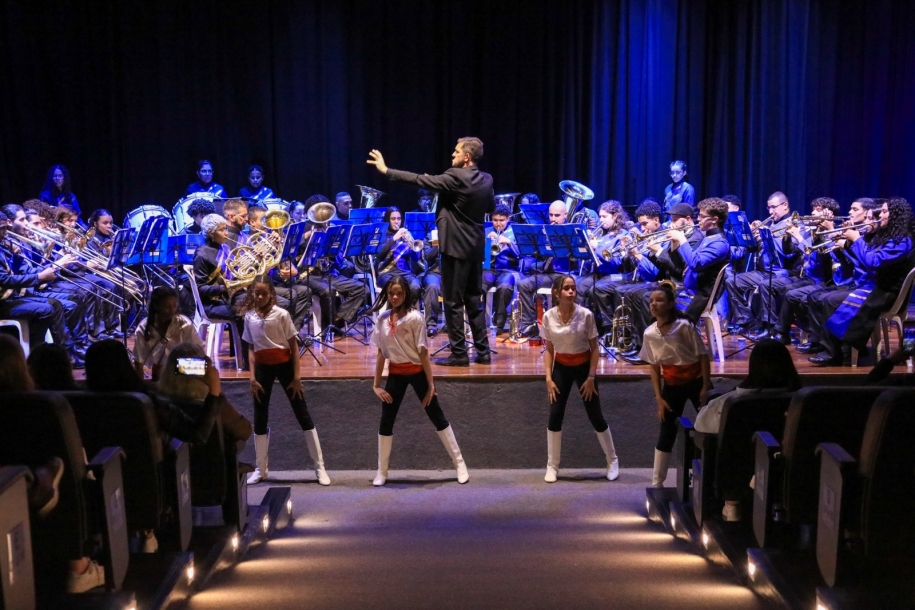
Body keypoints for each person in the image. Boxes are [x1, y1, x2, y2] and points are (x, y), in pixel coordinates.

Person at [368, 137, 493, 367]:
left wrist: (386, 170)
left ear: (467, 157)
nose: (452, 155)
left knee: (454, 302)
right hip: (475, 249)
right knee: (474, 300)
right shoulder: (486, 179)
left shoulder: (455, 176)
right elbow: (490, 208)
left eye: (456, 152)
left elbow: (418, 179)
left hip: (455, 249)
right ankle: (483, 352)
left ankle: (459, 354)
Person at [370, 276, 469, 486]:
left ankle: (460, 464)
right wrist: (376, 384)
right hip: (396, 373)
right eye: (391, 293)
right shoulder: (382, 319)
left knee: (436, 415)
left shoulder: (415, 318)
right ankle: (382, 471)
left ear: (406, 294)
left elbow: (423, 353)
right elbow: (381, 353)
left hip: (416, 371)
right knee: (386, 420)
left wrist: (431, 384)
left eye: (399, 293)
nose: (395, 297)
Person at [242, 275, 330, 486]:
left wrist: (297, 377)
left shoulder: (281, 314)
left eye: (264, 293)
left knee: (302, 413)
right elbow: (251, 349)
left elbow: (293, 346)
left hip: (284, 366)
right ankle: (260, 469)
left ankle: (320, 468)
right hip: (262, 368)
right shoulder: (249, 317)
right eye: (257, 293)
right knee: (260, 417)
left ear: (272, 293)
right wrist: (252, 377)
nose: (260, 296)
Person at [541, 275, 620, 483]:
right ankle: (552, 466)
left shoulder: (586, 315)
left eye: (573, 288)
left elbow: (595, 349)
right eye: (566, 288)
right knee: (555, 415)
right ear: (557, 293)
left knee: (595, 415)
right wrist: (548, 378)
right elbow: (549, 351)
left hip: (584, 367)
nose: (571, 291)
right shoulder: (548, 316)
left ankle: (612, 460)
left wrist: (591, 376)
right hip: (561, 367)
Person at [639, 283, 711, 488]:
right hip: (671, 385)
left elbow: (703, 356)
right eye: (652, 301)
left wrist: (706, 386)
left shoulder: (684, 326)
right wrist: (659, 398)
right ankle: (657, 482)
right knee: (667, 430)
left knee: (708, 426)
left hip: (696, 381)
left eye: (659, 300)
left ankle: (708, 476)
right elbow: (654, 367)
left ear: (670, 304)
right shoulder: (649, 333)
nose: (654, 304)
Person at [134, 286, 203, 380]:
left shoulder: (184, 324)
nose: (172, 310)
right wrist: (141, 389)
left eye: (174, 305)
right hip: (161, 377)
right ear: (156, 306)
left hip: (185, 373)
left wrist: (172, 368)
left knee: (210, 369)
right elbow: (138, 362)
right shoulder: (143, 328)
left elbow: (200, 352)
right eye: (167, 306)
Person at [483, 202, 520, 334]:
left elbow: (521, 255)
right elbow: (481, 258)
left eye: (501, 220)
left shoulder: (514, 233)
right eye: (495, 220)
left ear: (508, 219)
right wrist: (486, 243)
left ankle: (499, 324)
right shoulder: (486, 231)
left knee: (504, 287)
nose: (498, 223)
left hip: (507, 270)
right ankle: (479, 322)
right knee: (478, 285)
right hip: (488, 269)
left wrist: (509, 243)